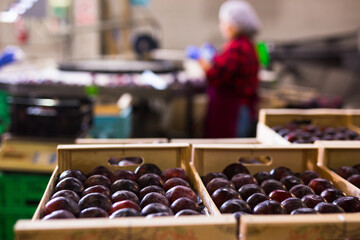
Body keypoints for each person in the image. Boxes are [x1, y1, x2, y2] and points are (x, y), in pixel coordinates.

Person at [198, 0, 261, 138]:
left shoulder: (237, 47)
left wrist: (203, 62)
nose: (222, 26)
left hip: (232, 111)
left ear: (234, 25)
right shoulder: (247, 45)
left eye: (224, 22)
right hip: (240, 107)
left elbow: (220, 77)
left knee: (227, 152)